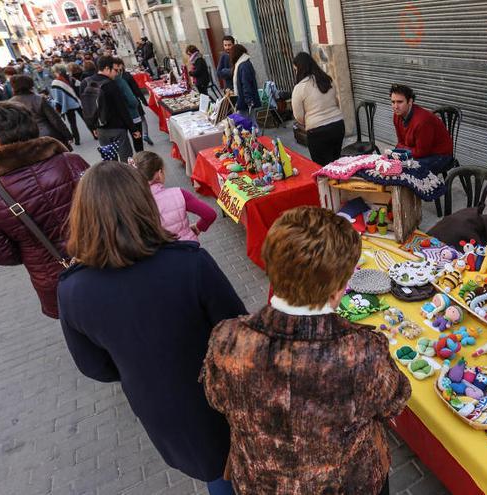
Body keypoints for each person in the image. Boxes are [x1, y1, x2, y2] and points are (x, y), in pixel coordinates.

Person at [57, 160, 244, 495]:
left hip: (161, 405)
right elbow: (238, 328)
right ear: (144, 205)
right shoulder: (189, 262)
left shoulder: (72, 289)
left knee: (215, 470)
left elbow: (94, 366)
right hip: (223, 393)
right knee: (235, 464)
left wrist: (141, 363)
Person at [203, 206, 411, 495]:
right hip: (348, 484)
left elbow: (216, 398)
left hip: (261, 483)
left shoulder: (226, 338)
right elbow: (395, 401)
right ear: (337, 287)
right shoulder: (363, 351)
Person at [0, 102, 89, 318]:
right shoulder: (71, 161)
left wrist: (33, 249)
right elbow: (108, 207)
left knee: (84, 337)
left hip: (54, 279)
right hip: (101, 259)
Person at [132, 151, 216, 240]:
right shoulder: (179, 194)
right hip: (187, 248)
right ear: (160, 173)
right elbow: (209, 214)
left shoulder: (132, 203)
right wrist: (199, 227)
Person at [291, 52, 345, 166]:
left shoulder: (299, 88)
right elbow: (336, 102)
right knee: (336, 163)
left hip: (317, 132)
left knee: (322, 168)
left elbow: (298, 116)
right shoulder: (327, 79)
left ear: (300, 69)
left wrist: (310, 121)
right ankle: (338, 182)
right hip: (337, 126)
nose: (295, 73)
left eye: (296, 70)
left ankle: (328, 184)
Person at [389, 84, 454, 174]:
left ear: (410, 101)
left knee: (409, 170)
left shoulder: (422, 121)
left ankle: (431, 188)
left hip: (440, 155)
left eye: (400, 102)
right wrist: (399, 152)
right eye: (393, 102)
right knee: (389, 162)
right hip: (418, 151)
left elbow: (421, 152)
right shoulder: (397, 116)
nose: (395, 106)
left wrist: (404, 151)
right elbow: (400, 142)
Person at [84, 56, 137, 163]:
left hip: (101, 129)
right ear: (107, 69)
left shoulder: (85, 82)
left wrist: (92, 127)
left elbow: (86, 107)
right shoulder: (111, 84)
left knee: (110, 161)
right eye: (115, 70)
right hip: (117, 128)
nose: (116, 73)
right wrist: (133, 128)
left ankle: (114, 178)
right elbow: (121, 108)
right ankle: (127, 178)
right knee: (126, 159)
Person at [10, 75, 73, 149]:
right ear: (30, 85)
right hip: (50, 134)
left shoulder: (11, 104)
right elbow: (55, 119)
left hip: (30, 140)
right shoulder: (39, 99)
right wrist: (67, 134)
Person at [118, 61, 153, 145]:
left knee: (132, 121)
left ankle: (139, 136)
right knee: (142, 119)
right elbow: (136, 88)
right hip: (133, 100)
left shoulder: (115, 78)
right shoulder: (127, 75)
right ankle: (145, 134)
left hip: (124, 104)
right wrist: (143, 100)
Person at [50, 64, 84, 145]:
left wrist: (58, 107)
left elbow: (57, 97)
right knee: (85, 118)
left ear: (58, 71)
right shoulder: (70, 77)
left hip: (67, 104)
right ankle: (95, 134)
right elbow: (79, 86)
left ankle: (77, 140)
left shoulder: (56, 82)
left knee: (72, 122)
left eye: (54, 72)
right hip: (77, 101)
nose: (54, 73)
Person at [231, 44, 259, 117]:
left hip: (245, 100)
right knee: (250, 121)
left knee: (249, 122)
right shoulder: (243, 64)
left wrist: (248, 100)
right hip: (246, 99)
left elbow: (246, 84)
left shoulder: (243, 65)